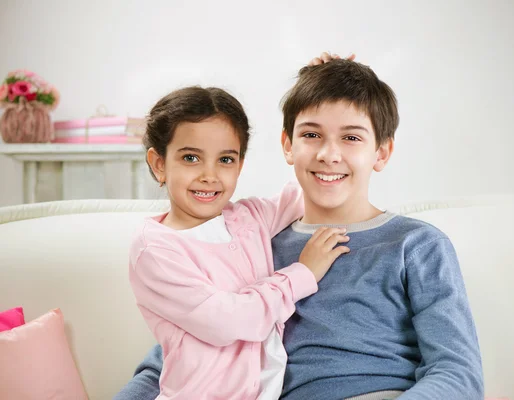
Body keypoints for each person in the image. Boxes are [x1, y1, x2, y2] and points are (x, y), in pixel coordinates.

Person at [116, 54, 484, 400]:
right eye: (311, 134)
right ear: (288, 145)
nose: (328, 154)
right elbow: (180, 354)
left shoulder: (417, 245)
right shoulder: (256, 244)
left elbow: (457, 373)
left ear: (382, 152)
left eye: (351, 137)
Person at [128, 85, 351, 399]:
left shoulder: (249, 218)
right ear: (159, 163)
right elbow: (227, 322)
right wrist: (302, 274)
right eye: (191, 157)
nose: (210, 174)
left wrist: (318, 93)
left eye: (226, 160)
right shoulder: (155, 250)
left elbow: (314, 184)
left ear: (240, 165)